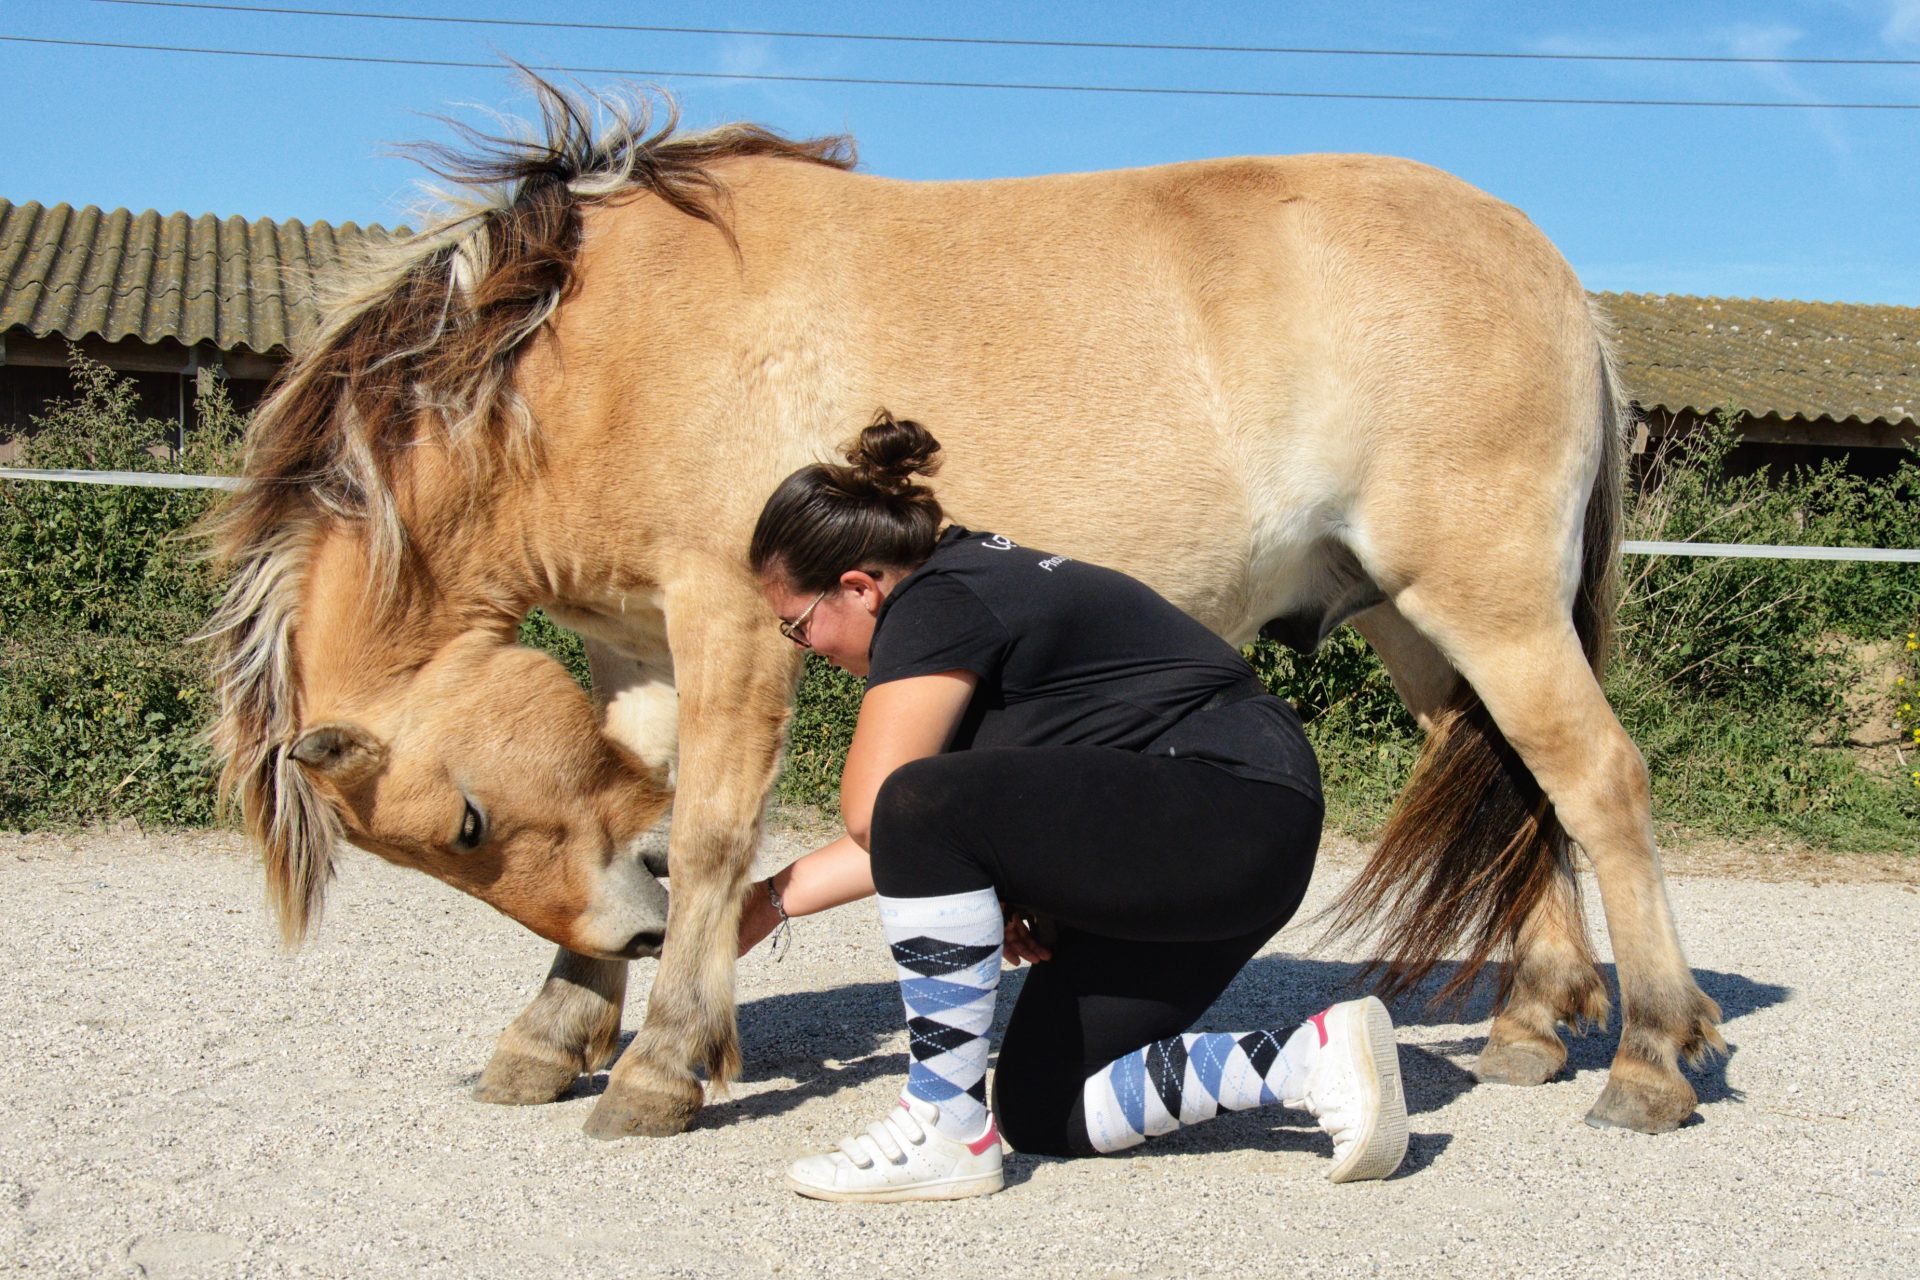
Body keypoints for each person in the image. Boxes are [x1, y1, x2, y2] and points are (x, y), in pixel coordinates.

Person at [739, 411, 1408, 1203]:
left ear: (857, 586)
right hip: (1232, 840)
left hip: (1225, 806)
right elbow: (913, 830)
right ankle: (1310, 1060)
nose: (806, 650)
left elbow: (885, 810)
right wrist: (770, 903)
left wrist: (1001, 878)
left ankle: (943, 1125)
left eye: (796, 626)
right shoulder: (970, 586)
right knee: (1043, 1105)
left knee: (913, 798)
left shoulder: (936, 598)